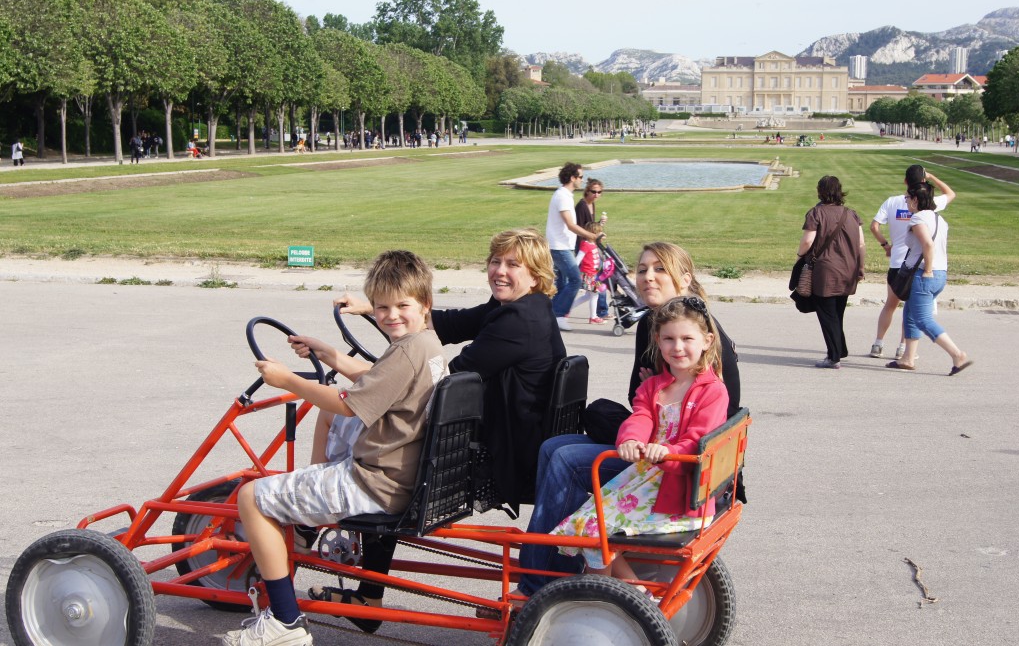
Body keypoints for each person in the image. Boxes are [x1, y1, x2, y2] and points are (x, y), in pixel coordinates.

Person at [332, 229, 566, 624]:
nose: (500, 271)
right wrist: (376, 309)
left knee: (387, 452)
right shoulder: (522, 307)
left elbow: (442, 379)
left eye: (512, 264)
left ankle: (342, 544)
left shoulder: (518, 321)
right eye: (496, 261)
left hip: (502, 450)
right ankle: (368, 595)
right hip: (512, 433)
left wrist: (352, 366)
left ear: (536, 273)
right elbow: (451, 323)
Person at [221, 250, 445, 646]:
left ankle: (285, 624)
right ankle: (305, 522)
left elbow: (347, 402)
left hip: (375, 483)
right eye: (381, 308)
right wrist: (329, 354)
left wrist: (287, 379)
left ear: (425, 304)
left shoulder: (406, 350)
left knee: (251, 497)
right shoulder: (426, 343)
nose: (391, 315)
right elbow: (379, 379)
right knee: (331, 421)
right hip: (400, 473)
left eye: (402, 306)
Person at [517, 241, 741, 599]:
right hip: (653, 447)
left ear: (684, 280)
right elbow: (642, 402)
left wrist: (656, 444)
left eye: (660, 269)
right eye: (642, 269)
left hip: (681, 467)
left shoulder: (702, 347)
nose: (647, 277)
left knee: (566, 460)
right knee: (554, 446)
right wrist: (635, 433)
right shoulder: (654, 326)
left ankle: (539, 586)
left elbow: (711, 428)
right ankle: (555, 564)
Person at [550, 296, 728, 583]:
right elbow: (641, 417)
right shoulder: (654, 385)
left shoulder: (712, 391)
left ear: (706, 341)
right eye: (669, 339)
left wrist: (667, 452)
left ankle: (604, 596)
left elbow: (699, 440)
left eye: (687, 338)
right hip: (647, 480)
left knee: (595, 532)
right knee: (586, 526)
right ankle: (633, 596)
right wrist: (631, 440)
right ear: (658, 341)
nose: (677, 347)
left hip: (681, 496)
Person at [869, 166, 956, 359]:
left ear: (905, 181)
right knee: (911, 309)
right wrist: (933, 176)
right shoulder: (929, 203)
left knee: (890, 305)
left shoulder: (893, 202)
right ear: (924, 182)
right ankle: (903, 348)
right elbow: (950, 194)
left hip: (897, 262)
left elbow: (874, 226)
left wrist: (885, 245)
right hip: (917, 265)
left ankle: (878, 343)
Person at [886, 183, 973, 375]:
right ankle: (908, 358)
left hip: (924, 274)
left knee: (923, 319)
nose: (906, 201)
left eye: (908, 198)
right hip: (940, 273)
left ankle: (957, 354)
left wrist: (927, 270)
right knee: (909, 313)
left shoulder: (918, 218)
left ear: (916, 200)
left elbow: (927, 244)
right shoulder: (939, 219)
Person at [796, 176, 865, 369]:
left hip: (825, 271)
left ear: (820, 191)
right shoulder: (851, 214)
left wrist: (800, 255)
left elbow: (808, 241)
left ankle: (834, 356)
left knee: (827, 315)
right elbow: (861, 244)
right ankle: (840, 348)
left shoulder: (816, 213)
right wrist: (861, 267)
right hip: (848, 269)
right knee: (838, 312)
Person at [546, 162, 605, 331]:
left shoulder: (566, 195)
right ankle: (558, 315)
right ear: (572, 178)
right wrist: (592, 236)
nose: (582, 180)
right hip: (559, 246)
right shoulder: (563, 196)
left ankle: (551, 314)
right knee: (575, 280)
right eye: (580, 177)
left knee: (563, 283)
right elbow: (571, 224)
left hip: (564, 245)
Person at [574, 178, 609, 319]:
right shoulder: (581, 206)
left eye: (599, 192)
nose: (596, 195)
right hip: (585, 247)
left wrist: (599, 224)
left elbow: (590, 226)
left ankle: (600, 311)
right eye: (594, 192)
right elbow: (580, 229)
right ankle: (601, 312)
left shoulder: (591, 204)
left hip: (591, 246)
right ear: (587, 191)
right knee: (596, 281)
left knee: (594, 286)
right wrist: (593, 238)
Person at [569, 222, 607, 324]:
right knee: (595, 294)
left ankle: (567, 308)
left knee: (588, 296)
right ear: (593, 233)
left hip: (594, 275)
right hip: (588, 275)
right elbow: (578, 259)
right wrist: (574, 272)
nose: (601, 233)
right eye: (599, 232)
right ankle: (593, 317)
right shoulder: (586, 245)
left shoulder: (593, 244)